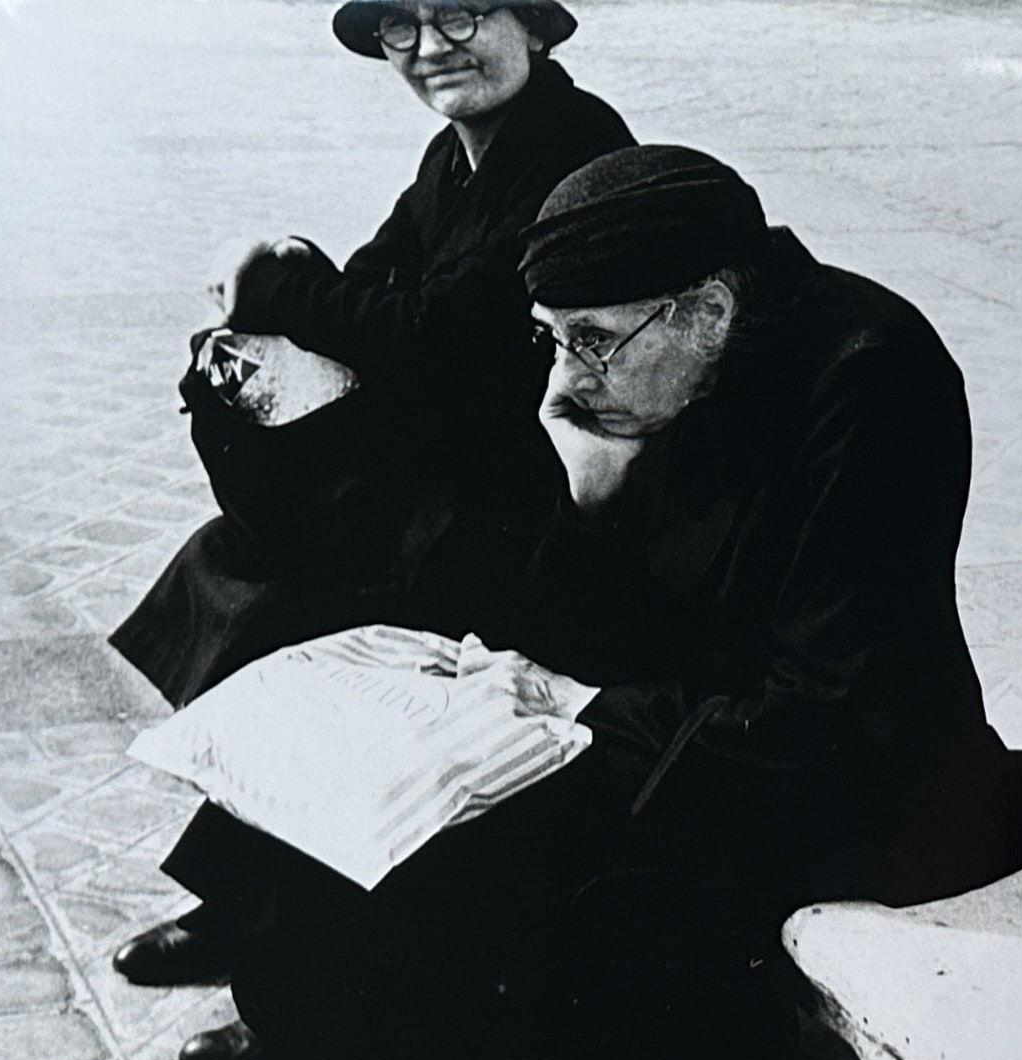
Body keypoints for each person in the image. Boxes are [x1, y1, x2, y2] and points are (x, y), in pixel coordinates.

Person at [164, 145, 1022, 1060]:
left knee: (611, 874)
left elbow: (825, 700)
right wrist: (576, 502)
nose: (567, 371)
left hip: (848, 757)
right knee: (389, 785)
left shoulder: (874, 378)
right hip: (687, 704)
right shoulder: (651, 359)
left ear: (708, 307)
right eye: (552, 339)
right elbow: (571, 589)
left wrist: (587, 702)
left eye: (590, 341)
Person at [106, 1, 634, 992]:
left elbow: (443, 334)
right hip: (454, 478)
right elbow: (379, 293)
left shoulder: (576, 151)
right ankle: (254, 897)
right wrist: (314, 287)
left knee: (293, 610)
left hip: (545, 512)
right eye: (404, 25)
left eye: (465, 14)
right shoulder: (454, 158)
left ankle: (285, 935)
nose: (434, 47)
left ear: (533, 24)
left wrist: (283, 281)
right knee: (232, 561)